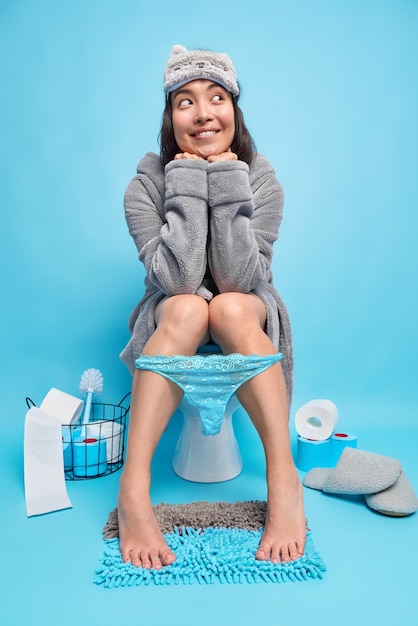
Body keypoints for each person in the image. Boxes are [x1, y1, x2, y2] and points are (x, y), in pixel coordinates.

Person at [118, 44, 306, 570]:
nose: (203, 113)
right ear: (169, 116)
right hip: (170, 313)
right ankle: (134, 490)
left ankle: (283, 479)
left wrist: (224, 182)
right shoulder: (144, 186)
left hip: (244, 309)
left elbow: (240, 279)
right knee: (186, 308)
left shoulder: (263, 179)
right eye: (186, 101)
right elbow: (176, 279)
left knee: (227, 308)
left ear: (235, 109)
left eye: (217, 97)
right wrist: (185, 182)